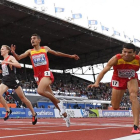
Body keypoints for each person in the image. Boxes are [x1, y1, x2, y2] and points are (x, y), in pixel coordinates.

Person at [11, 33, 80, 127]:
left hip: (46, 74)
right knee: (52, 98)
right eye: (31, 38)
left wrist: (71, 56)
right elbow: (18, 58)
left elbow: (57, 53)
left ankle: (60, 102)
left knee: (40, 91)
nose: (32, 40)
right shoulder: (29, 51)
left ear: (39, 40)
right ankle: (65, 116)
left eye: (34, 38)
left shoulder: (45, 48)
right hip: (38, 76)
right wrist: (14, 53)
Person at [88, 43, 140, 134]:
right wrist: (96, 83)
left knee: (133, 96)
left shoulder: (138, 60)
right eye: (124, 52)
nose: (126, 54)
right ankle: (118, 101)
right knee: (115, 106)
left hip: (131, 78)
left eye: (129, 52)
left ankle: (136, 126)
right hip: (118, 79)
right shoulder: (116, 59)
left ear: (134, 53)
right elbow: (103, 71)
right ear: (122, 51)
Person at [0, 45, 37, 125]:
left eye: (2, 49)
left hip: (13, 80)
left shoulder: (10, 57)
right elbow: (4, 71)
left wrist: (8, 62)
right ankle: (8, 110)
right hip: (5, 81)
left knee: (23, 98)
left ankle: (34, 114)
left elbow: (19, 65)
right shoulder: (3, 61)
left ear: (7, 51)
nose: (1, 50)